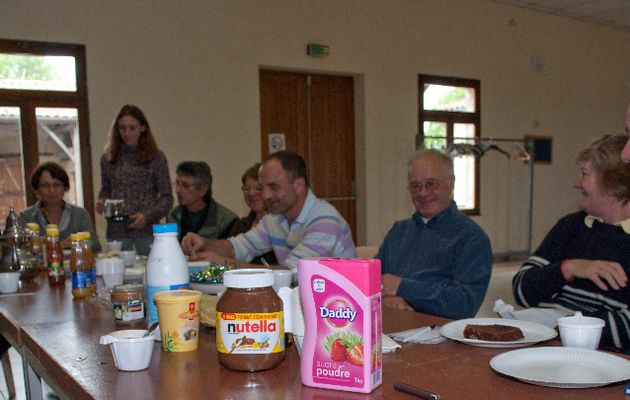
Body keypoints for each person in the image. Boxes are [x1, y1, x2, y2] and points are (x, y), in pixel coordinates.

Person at [512, 134, 630, 354]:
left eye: (585, 174)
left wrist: (566, 328)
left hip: (597, 360)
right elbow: (521, 289)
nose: (576, 183)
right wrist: (568, 268)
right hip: (545, 344)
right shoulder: (571, 225)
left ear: (614, 184)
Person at [182, 150, 355, 276]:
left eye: (273, 187)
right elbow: (239, 247)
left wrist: (226, 264)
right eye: (263, 188)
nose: (265, 195)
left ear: (299, 185)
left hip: (342, 313)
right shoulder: (275, 218)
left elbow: (293, 274)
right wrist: (205, 244)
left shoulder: (325, 221)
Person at [376, 149, 492, 319]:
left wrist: (401, 287)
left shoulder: (471, 237)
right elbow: (370, 280)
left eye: (431, 184)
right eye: (416, 186)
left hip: (441, 336)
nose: (423, 193)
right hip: (391, 329)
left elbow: (464, 303)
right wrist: (388, 298)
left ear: (451, 183)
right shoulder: (399, 232)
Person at [96, 105, 173, 255]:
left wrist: (147, 215)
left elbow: (167, 198)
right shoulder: (108, 158)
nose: (127, 133)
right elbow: (106, 189)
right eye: (122, 128)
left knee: (148, 273)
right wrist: (101, 202)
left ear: (143, 128)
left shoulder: (156, 157)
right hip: (116, 232)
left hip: (146, 232)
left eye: (132, 128)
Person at [18, 162, 101, 251]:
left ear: (66, 187)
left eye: (57, 185)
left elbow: (96, 245)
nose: (52, 190)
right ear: (36, 190)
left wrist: (75, 242)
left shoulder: (79, 214)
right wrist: (59, 245)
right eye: (45, 186)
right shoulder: (26, 217)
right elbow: (20, 249)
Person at [167, 161, 237, 242]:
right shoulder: (173, 215)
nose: (177, 190)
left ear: (203, 190)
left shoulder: (226, 221)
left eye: (185, 186)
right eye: (177, 183)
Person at [223, 162, 277, 265]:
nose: (251, 193)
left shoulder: (280, 225)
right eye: (247, 188)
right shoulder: (238, 225)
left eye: (258, 188)